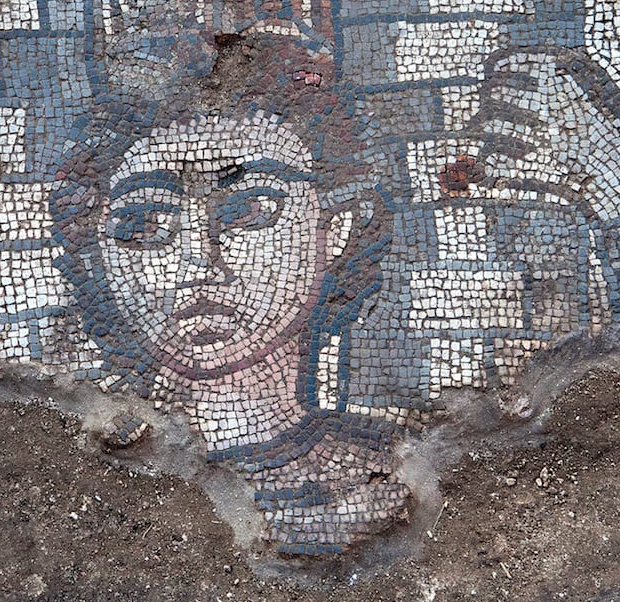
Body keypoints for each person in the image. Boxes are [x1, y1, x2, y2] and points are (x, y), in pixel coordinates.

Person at [52, 34, 412, 555]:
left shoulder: (377, 466)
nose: (199, 256)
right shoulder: (97, 489)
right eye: (146, 223)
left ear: (331, 231)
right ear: (100, 257)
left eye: (247, 211)